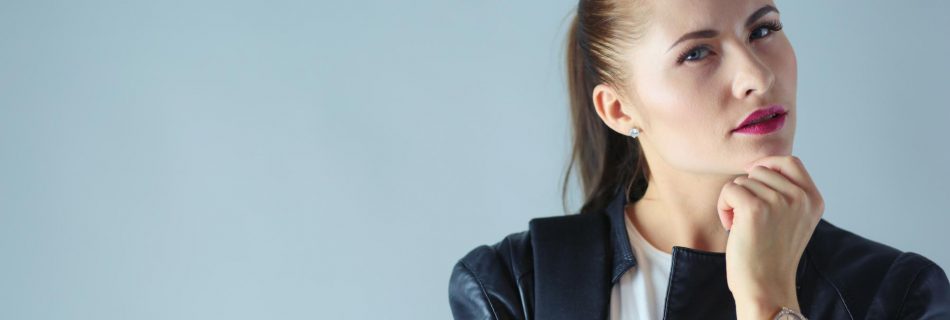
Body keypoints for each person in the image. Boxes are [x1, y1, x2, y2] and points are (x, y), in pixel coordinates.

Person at [448, 0, 950, 319]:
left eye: (763, 29)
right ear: (619, 109)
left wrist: (769, 302)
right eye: (697, 54)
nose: (757, 76)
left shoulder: (897, 295)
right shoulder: (515, 289)